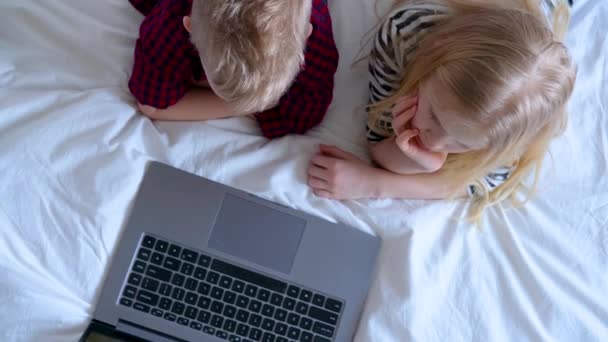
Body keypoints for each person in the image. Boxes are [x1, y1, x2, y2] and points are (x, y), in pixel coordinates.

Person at [307, 0, 576, 222]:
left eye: (461, 143)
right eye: (434, 115)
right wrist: (403, 158)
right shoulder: (405, 34)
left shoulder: (516, 120)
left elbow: (474, 182)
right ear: (433, 57)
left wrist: (377, 182)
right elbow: (377, 143)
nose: (435, 142)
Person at [127, 0, 339, 139]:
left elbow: (305, 114)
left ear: (306, 34)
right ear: (188, 27)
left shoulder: (314, 32)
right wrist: (253, 105)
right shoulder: (169, 22)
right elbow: (151, 105)